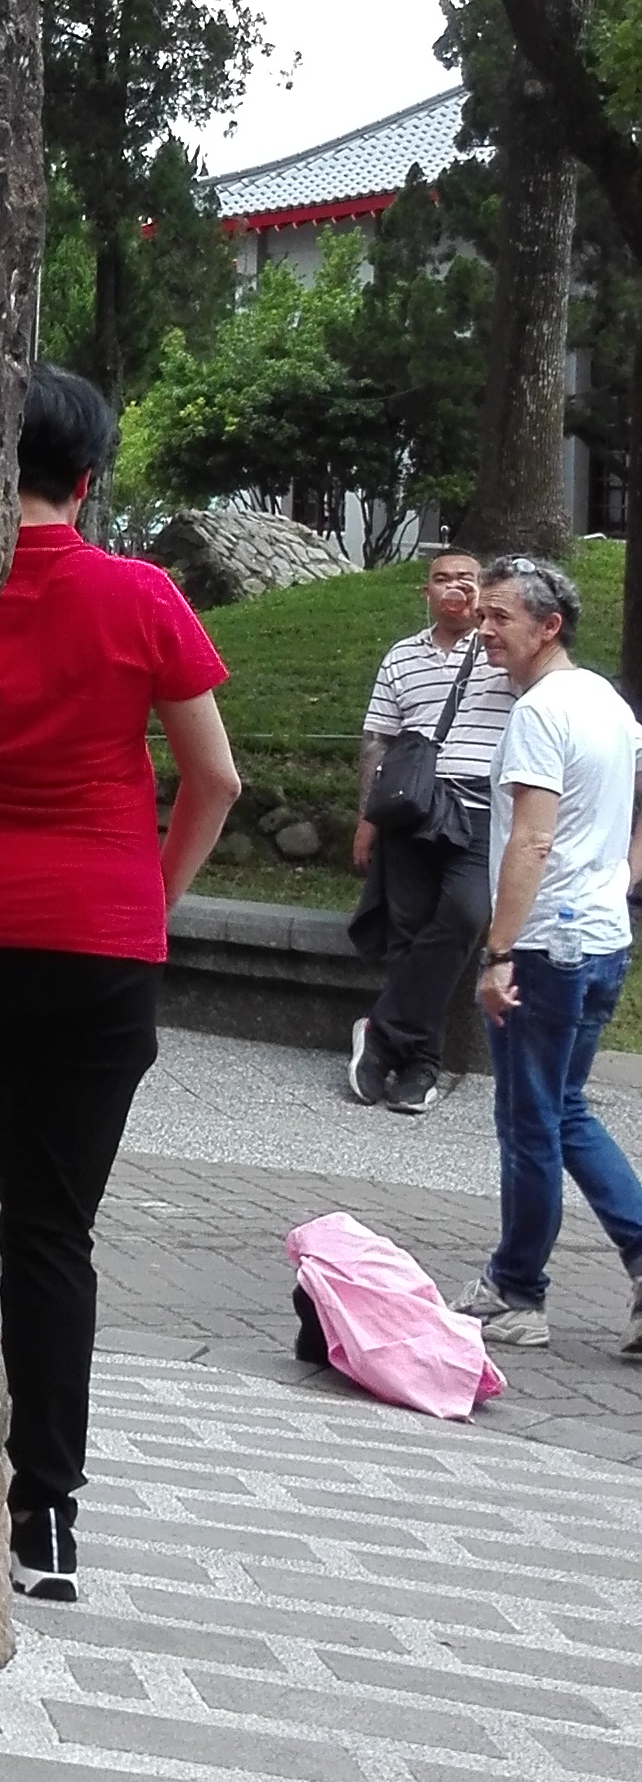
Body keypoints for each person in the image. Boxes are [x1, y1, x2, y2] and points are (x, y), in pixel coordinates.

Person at [0, 366, 242, 1605]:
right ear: (86, 476)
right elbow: (214, 777)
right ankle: (45, 1516)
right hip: (98, 946)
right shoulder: (138, 594)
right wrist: (151, 891)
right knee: (48, 1224)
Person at [456, 554, 642, 1358]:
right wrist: (612, 885)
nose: (484, 629)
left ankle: (518, 1290)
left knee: (530, 1121)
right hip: (600, 938)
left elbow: (531, 839)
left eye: (500, 617)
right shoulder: (606, 702)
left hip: (546, 946)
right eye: (481, 614)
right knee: (563, 1111)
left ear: (549, 625)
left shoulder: (540, 714)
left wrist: (499, 954)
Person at [348, 548, 512, 1115]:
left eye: (466, 579)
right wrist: (367, 819)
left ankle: (381, 1030)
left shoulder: (501, 651)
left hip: (482, 809)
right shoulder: (401, 657)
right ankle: (418, 1064)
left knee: (466, 914)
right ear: (426, 591)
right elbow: (377, 742)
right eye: (441, 579)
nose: (454, 588)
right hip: (415, 808)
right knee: (408, 931)